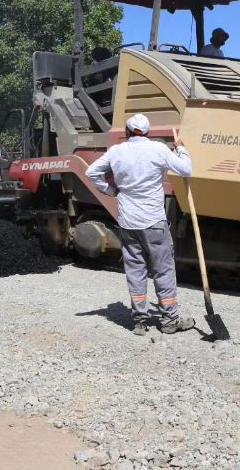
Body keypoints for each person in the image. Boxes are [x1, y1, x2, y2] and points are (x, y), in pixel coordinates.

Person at [85, 113, 196, 336]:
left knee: (136, 270)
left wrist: (110, 190)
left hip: (128, 222)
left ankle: (140, 322)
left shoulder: (116, 151)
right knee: (163, 269)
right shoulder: (158, 149)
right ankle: (169, 321)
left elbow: (91, 172)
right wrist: (181, 149)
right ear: (146, 132)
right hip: (153, 221)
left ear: (127, 132)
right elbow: (186, 169)